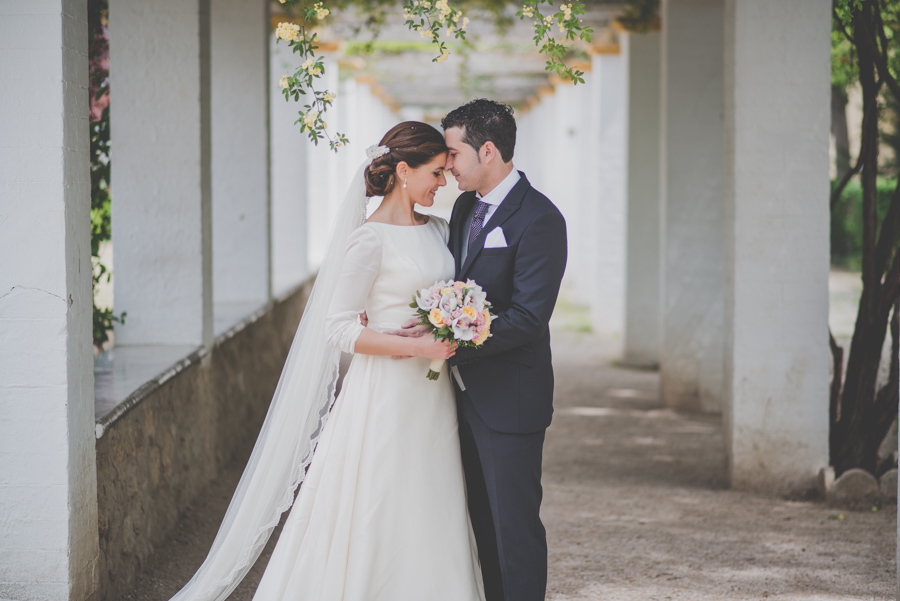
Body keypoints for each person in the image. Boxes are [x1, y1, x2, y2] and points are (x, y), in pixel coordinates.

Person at [168, 122, 485, 601]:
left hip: (434, 393)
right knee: (380, 498)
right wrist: (419, 347)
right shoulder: (369, 240)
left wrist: (458, 323)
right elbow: (337, 327)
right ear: (404, 170)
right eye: (436, 173)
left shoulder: (440, 228)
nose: (443, 183)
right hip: (385, 393)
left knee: (431, 498)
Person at [397, 99, 567, 601]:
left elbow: (528, 320)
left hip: (509, 401)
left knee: (513, 529)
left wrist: (449, 346)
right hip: (459, 398)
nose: (446, 164)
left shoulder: (540, 219)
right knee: (481, 527)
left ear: (487, 150)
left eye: (452, 152)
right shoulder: (465, 207)